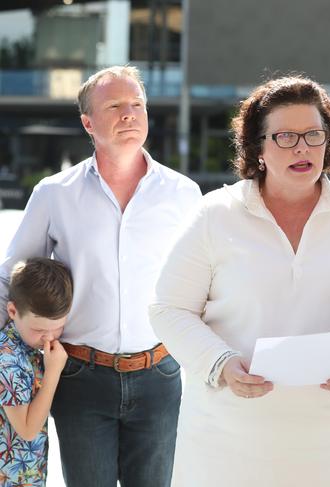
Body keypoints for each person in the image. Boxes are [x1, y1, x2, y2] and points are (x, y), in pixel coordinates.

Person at [149, 75, 330, 487]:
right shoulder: (214, 215)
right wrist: (219, 363)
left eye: (314, 135)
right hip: (227, 445)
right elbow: (168, 308)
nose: (303, 148)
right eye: (285, 137)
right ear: (257, 147)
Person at [0, 66, 202, 487]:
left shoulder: (183, 193)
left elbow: (206, 281)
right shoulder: (54, 193)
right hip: (79, 377)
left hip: (160, 374)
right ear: (88, 123)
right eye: (115, 105)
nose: (129, 114)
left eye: (137, 104)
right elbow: (10, 278)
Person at [0, 258, 72, 486]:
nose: (49, 337)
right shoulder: (8, 360)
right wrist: (53, 372)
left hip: (28, 473)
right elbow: (28, 429)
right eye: (39, 329)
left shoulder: (28, 345)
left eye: (58, 327)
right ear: (12, 310)